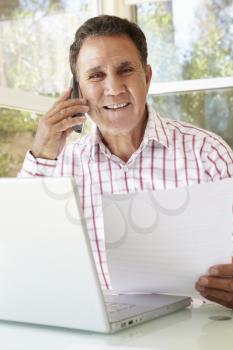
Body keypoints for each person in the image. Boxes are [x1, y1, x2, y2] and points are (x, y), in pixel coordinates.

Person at [19, 15, 233, 308]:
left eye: (126, 70)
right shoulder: (60, 166)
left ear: (147, 77)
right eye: (96, 75)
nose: (114, 88)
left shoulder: (207, 153)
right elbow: (18, 254)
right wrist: (42, 151)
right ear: (76, 90)